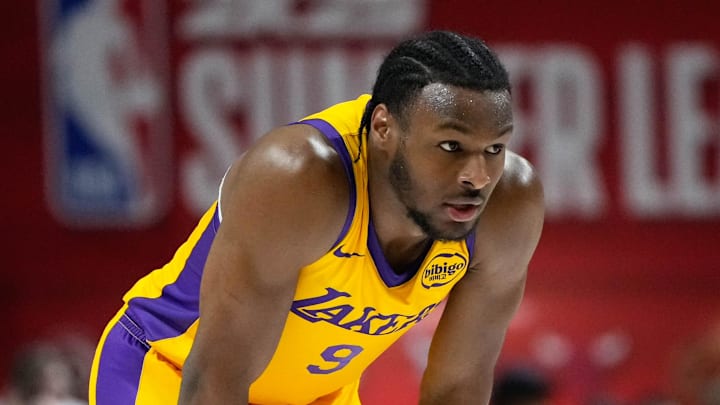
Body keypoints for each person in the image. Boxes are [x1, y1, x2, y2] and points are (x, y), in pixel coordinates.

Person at [89, 30, 545, 404]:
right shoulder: (298, 180)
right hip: (174, 372)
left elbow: (456, 390)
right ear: (384, 128)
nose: (478, 176)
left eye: (494, 149)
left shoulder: (509, 205)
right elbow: (215, 382)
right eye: (451, 147)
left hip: (320, 396)